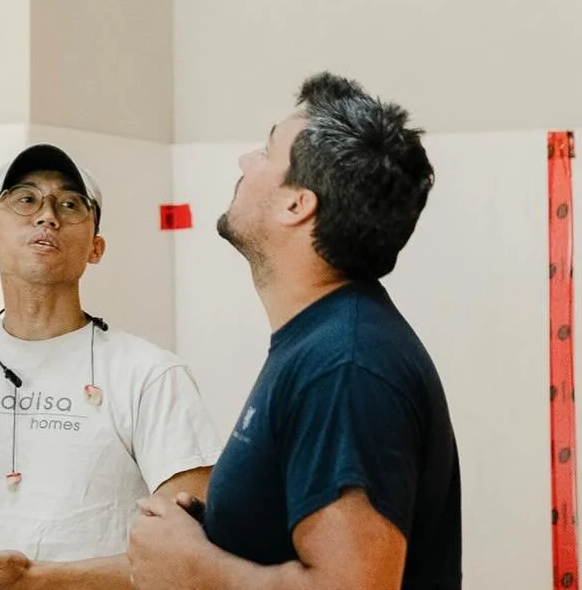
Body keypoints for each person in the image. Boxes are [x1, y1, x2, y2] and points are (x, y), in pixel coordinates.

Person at [129, 73, 461, 590]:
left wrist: (192, 569)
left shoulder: (345, 365)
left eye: (266, 152)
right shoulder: (322, 342)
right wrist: (37, 579)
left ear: (297, 204)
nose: (245, 162)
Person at [0, 143, 219, 588]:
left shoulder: (150, 375)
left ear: (96, 247)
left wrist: (36, 580)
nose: (47, 216)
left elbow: (190, 553)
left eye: (70, 204)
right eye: (25, 199)